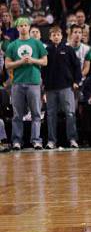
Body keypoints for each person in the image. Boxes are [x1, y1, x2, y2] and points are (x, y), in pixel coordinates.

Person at [4, 17, 48, 150]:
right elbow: (7, 65)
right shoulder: (12, 45)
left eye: (25, 25)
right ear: (17, 28)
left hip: (34, 82)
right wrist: (21, 62)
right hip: (17, 83)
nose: (23, 27)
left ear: (29, 27)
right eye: (20, 25)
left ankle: (36, 140)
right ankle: (17, 141)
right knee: (17, 114)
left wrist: (33, 60)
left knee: (36, 113)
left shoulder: (37, 43)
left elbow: (45, 61)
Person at [42, 26, 81, 149]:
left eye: (58, 34)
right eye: (53, 35)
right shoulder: (46, 50)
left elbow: (77, 66)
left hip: (66, 86)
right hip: (50, 88)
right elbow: (43, 69)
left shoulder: (68, 49)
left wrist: (76, 81)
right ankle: (51, 141)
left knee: (70, 113)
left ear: (62, 36)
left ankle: (72, 139)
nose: (56, 37)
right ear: (50, 37)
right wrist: (43, 84)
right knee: (51, 115)